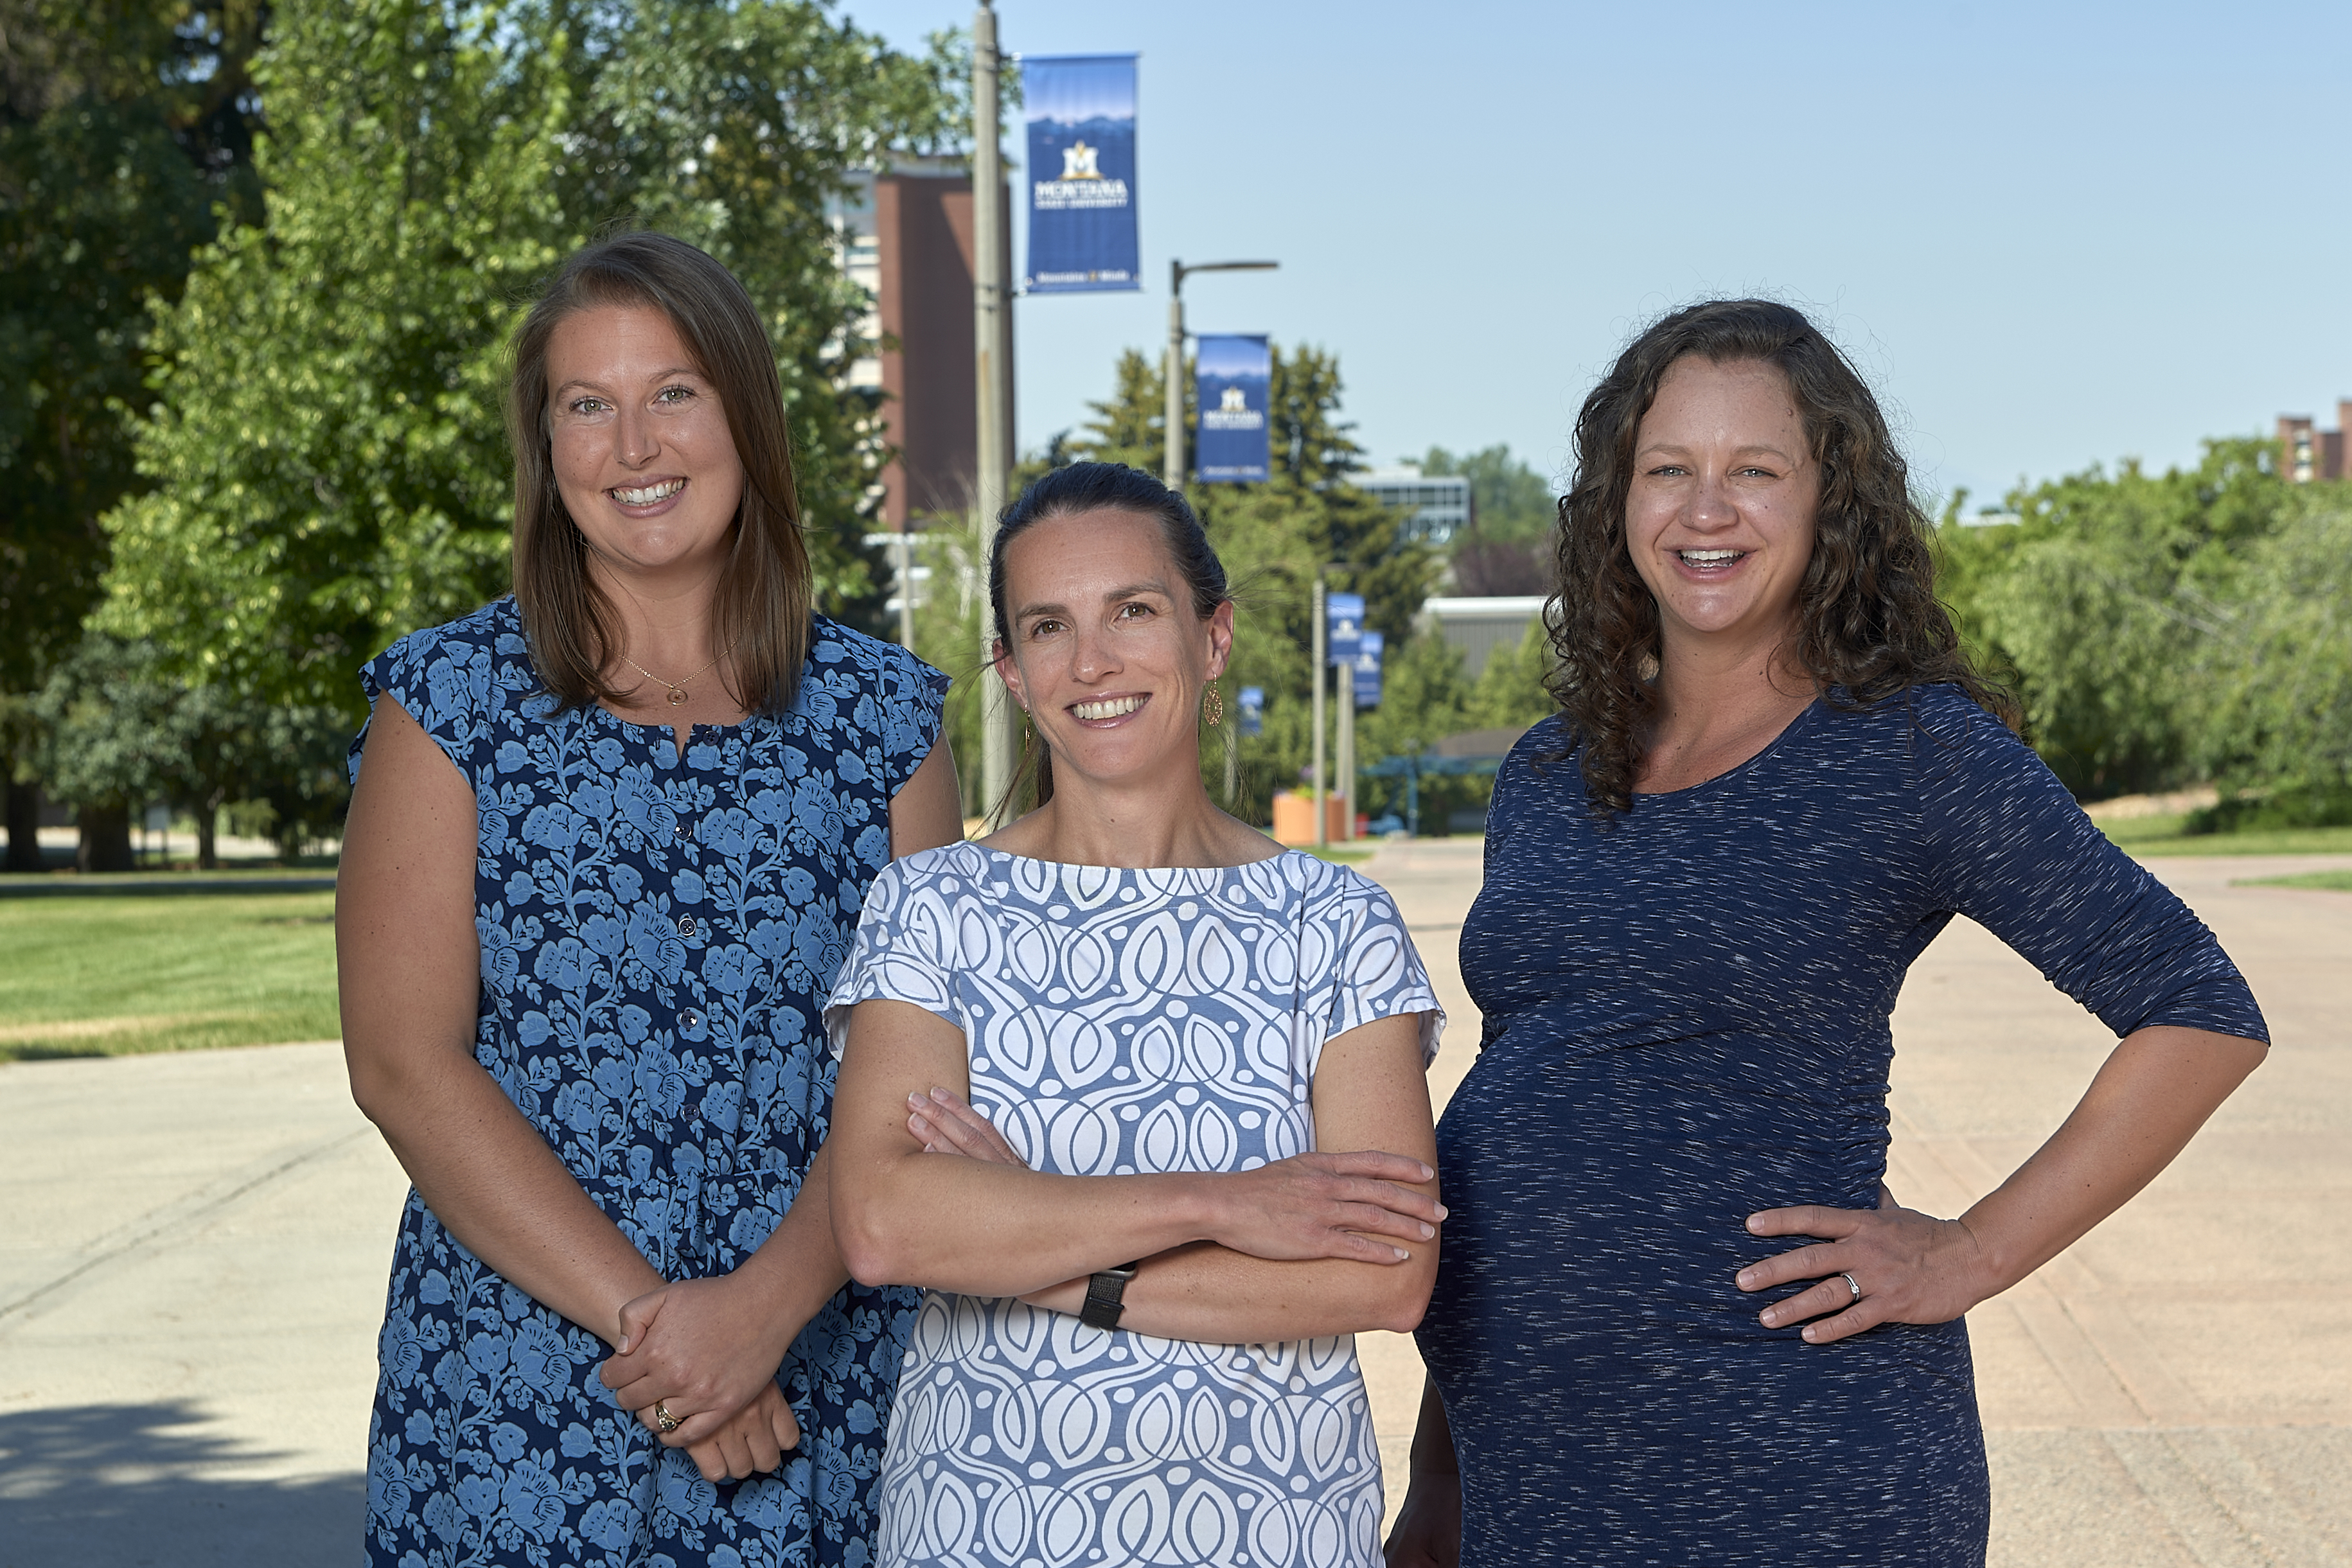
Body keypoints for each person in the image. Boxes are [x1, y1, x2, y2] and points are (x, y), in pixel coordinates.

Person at [1388, 300, 2269, 1568]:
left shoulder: (1908, 749)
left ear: (1827, 502)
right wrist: (1437, 1478)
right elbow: (1529, 1098)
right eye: (1668, 470)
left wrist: (1968, 1251)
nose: (1707, 511)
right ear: (1614, 503)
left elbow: (2198, 1009)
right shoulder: (1548, 768)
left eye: (1755, 472)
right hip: (1533, 1471)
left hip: (1789, 1461)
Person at [337, 230, 962, 1567]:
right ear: (545, 445)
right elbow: (403, 1062)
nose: (634, 446)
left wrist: (760, 1316)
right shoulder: (444, 706)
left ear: (745, 412)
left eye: (673, 392)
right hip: (518, 1387)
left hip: (822, 1380)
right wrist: (660, 1331)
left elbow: (915, 1084)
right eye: (588, 405)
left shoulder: (884, 720)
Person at [822, 461, 1448, 1568]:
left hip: (1277, 1522)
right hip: (985, 1523)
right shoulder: (930, 908)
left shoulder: (1334, 922)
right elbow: (882, 1225)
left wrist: (1024, 1240)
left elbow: (1384, 1274)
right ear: (1013, 673)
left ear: (1213, 637)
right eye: (1048, 627)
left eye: (1133, 610)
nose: (1093, 661)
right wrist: (1228, 1205)